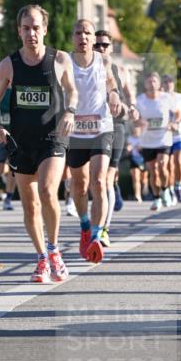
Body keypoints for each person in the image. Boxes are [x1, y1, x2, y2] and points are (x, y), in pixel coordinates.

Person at [0, 4, 77, 283]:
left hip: (53, 137)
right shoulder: (8, 65)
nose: (31, 33)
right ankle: (41, 258)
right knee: (29, 205)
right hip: (21, 141)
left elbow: (72, 90)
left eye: (36, 27)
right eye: (26, 28)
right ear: (19, 31)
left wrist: (71, 112)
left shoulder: (60, 59)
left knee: (48, 190)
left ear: (45, 29)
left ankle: (54, 250)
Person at [67, 19, 122, 264]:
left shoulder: (104, 61)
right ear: (73, 37)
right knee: (79, 185)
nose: (83, 37)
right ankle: (85, 225)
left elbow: (111, 84)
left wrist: (114, 96)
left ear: (93, 37)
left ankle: (98, 236)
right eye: (78, 33)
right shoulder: (64, 62)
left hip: (101, 127)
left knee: (99, 181)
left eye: (87, 33)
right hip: (76, 131)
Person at [93, 29, 136, 246]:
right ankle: (90, 223)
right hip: (90, 128)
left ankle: (103, 230)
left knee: (106, 178)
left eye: (104, 45)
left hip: (116, 125)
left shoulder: (121, 70)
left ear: (111, 48)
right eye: (96, 45)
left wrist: (133, 107)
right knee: (90, 180)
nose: (101, 49)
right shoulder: (84, 69)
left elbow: (129, 93)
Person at [136, 72, 175, 211]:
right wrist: (138, 121)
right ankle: (157, 198)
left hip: (164, 138)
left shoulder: (166, 98)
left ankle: (166, 190)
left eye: (154, 81)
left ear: (159, 84)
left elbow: (175, 113)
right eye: (149, 82)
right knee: (153, 171)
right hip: (147, 140)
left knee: (162, 165)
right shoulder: (140, 99)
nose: (152, 84)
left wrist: (173, 123)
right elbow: (135, 116)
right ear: (145, 84)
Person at [162, 74, 181, 203]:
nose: (168, 84)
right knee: (168, 166)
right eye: (166, 82)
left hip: (179, 135)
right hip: (165, 137)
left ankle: (178, 187)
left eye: (170, 82)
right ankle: (170, 189)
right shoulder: (159, 98)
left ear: (174, 84)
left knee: (179, 162)